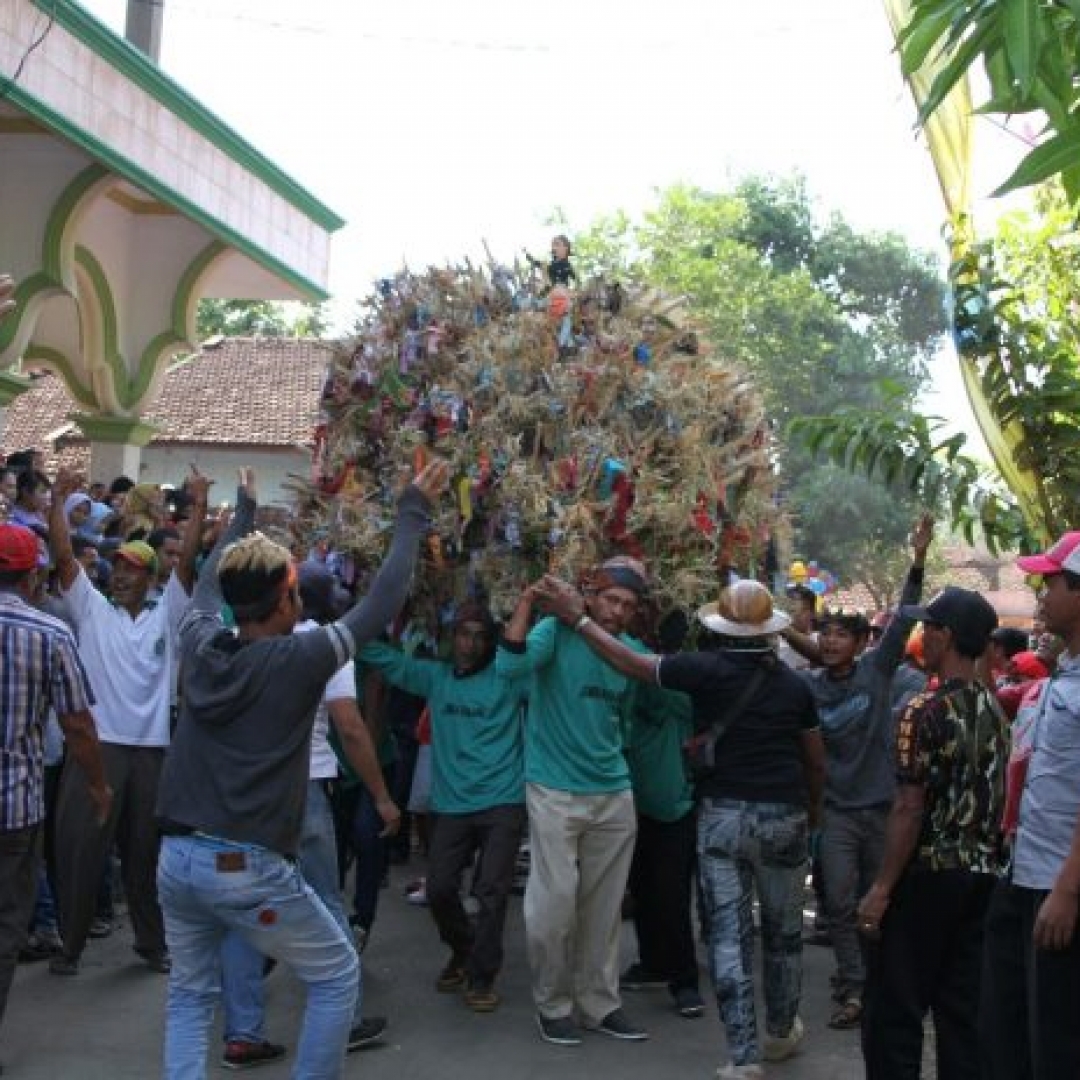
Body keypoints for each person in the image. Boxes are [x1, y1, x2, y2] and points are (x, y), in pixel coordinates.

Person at [154, 460, 445, 1080]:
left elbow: (208, 581)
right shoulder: (300, 659)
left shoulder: (201, 640)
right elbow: (383, 600)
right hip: (243, 866)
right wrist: (412, 514)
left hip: (176, 860)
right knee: (336, 975)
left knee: (190, 995)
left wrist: (245, 517)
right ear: (288, 600)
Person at [534, 574, 824, 1079]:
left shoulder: (704, 670)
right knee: (783, 934)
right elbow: (816, 761)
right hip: (785, 815)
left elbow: (634, 665)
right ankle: (781, 1030)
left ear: (722, 628)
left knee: (729, 938)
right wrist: (812, 814)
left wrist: (579, 619)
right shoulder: (795, 686)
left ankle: (743, 1056)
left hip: (722, 818)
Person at [217, 561, 402, 1069]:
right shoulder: (324, 646)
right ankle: (348, 1019)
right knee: (324, 902)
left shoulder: (238, 639)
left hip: (243, 797)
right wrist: (382, 795)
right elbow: (352, 727)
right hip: (303, 794)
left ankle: (242, 1032)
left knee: (243, 910)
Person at [46, 465, 210, 976]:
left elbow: (186, 566)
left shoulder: (169, 613)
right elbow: (64, 556)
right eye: (116, 567)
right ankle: (69, 948)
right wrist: (56, 501)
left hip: (150, 753)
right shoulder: (93, 610)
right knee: (80, 855)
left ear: (150, 578)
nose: (118, 575)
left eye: (131, 569)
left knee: (146, 859)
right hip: (97, 750)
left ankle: (151, 943)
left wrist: (199, 506)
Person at [782, 515, 932, 1030]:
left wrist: (917, 559)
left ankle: (880, 982)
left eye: (841, 636)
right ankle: (853, 988)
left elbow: (907, 620)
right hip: (839, 812)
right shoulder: (809, 687)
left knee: (879, 902)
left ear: (861, 642)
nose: (829, 643)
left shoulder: (878, 669)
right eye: (824, 634)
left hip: (884, 808)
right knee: (840, 901)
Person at [497, 561, 650, 1046]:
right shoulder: (554, 633)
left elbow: (622, 719)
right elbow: (509, 666)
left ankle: (599, 1004)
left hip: (613, 791)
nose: (618, 611)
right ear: (591, 595)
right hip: (554, 789)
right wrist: (527, 602)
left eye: (627, 605)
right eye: (611, 600)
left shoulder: (630, 652)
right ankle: (552, 1002)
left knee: (604, 911)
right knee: (553, 903)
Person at [858, 586, 1006, 1080]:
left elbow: (908, 806)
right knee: (960, 1012)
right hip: (984, 876)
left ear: (943, 637)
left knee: (895, 1009)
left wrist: (881, 889)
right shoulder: (996, 711)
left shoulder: (923, 710)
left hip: (928, 874)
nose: (923, 636)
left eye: (928, 628)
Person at [360, 600, 528, 1012]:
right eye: (463, 633)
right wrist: (352, 622)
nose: (470, 643)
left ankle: (482, 975)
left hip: (503, 800)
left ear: (490, 642)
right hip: (451, 804)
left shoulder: (509, 678)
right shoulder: (436, 678)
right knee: (438, 888)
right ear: (452, 638)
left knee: (491, 891)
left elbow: (537, 661)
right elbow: (386, 659)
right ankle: (464, 947)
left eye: (478, 635)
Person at [0, 523, 112, 1046]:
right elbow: (78, 725)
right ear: (31, 578)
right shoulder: (49, 633)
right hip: (14, 809)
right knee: (6, 925)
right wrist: (98, 786)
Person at [980, 532, 1080, 1079]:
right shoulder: (1057, 675)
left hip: (1060, 887)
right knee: (1007, 1030)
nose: (1041, 592)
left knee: (1057, 1042)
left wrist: (1067, 890)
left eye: (1052, 581)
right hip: (1021, 874)